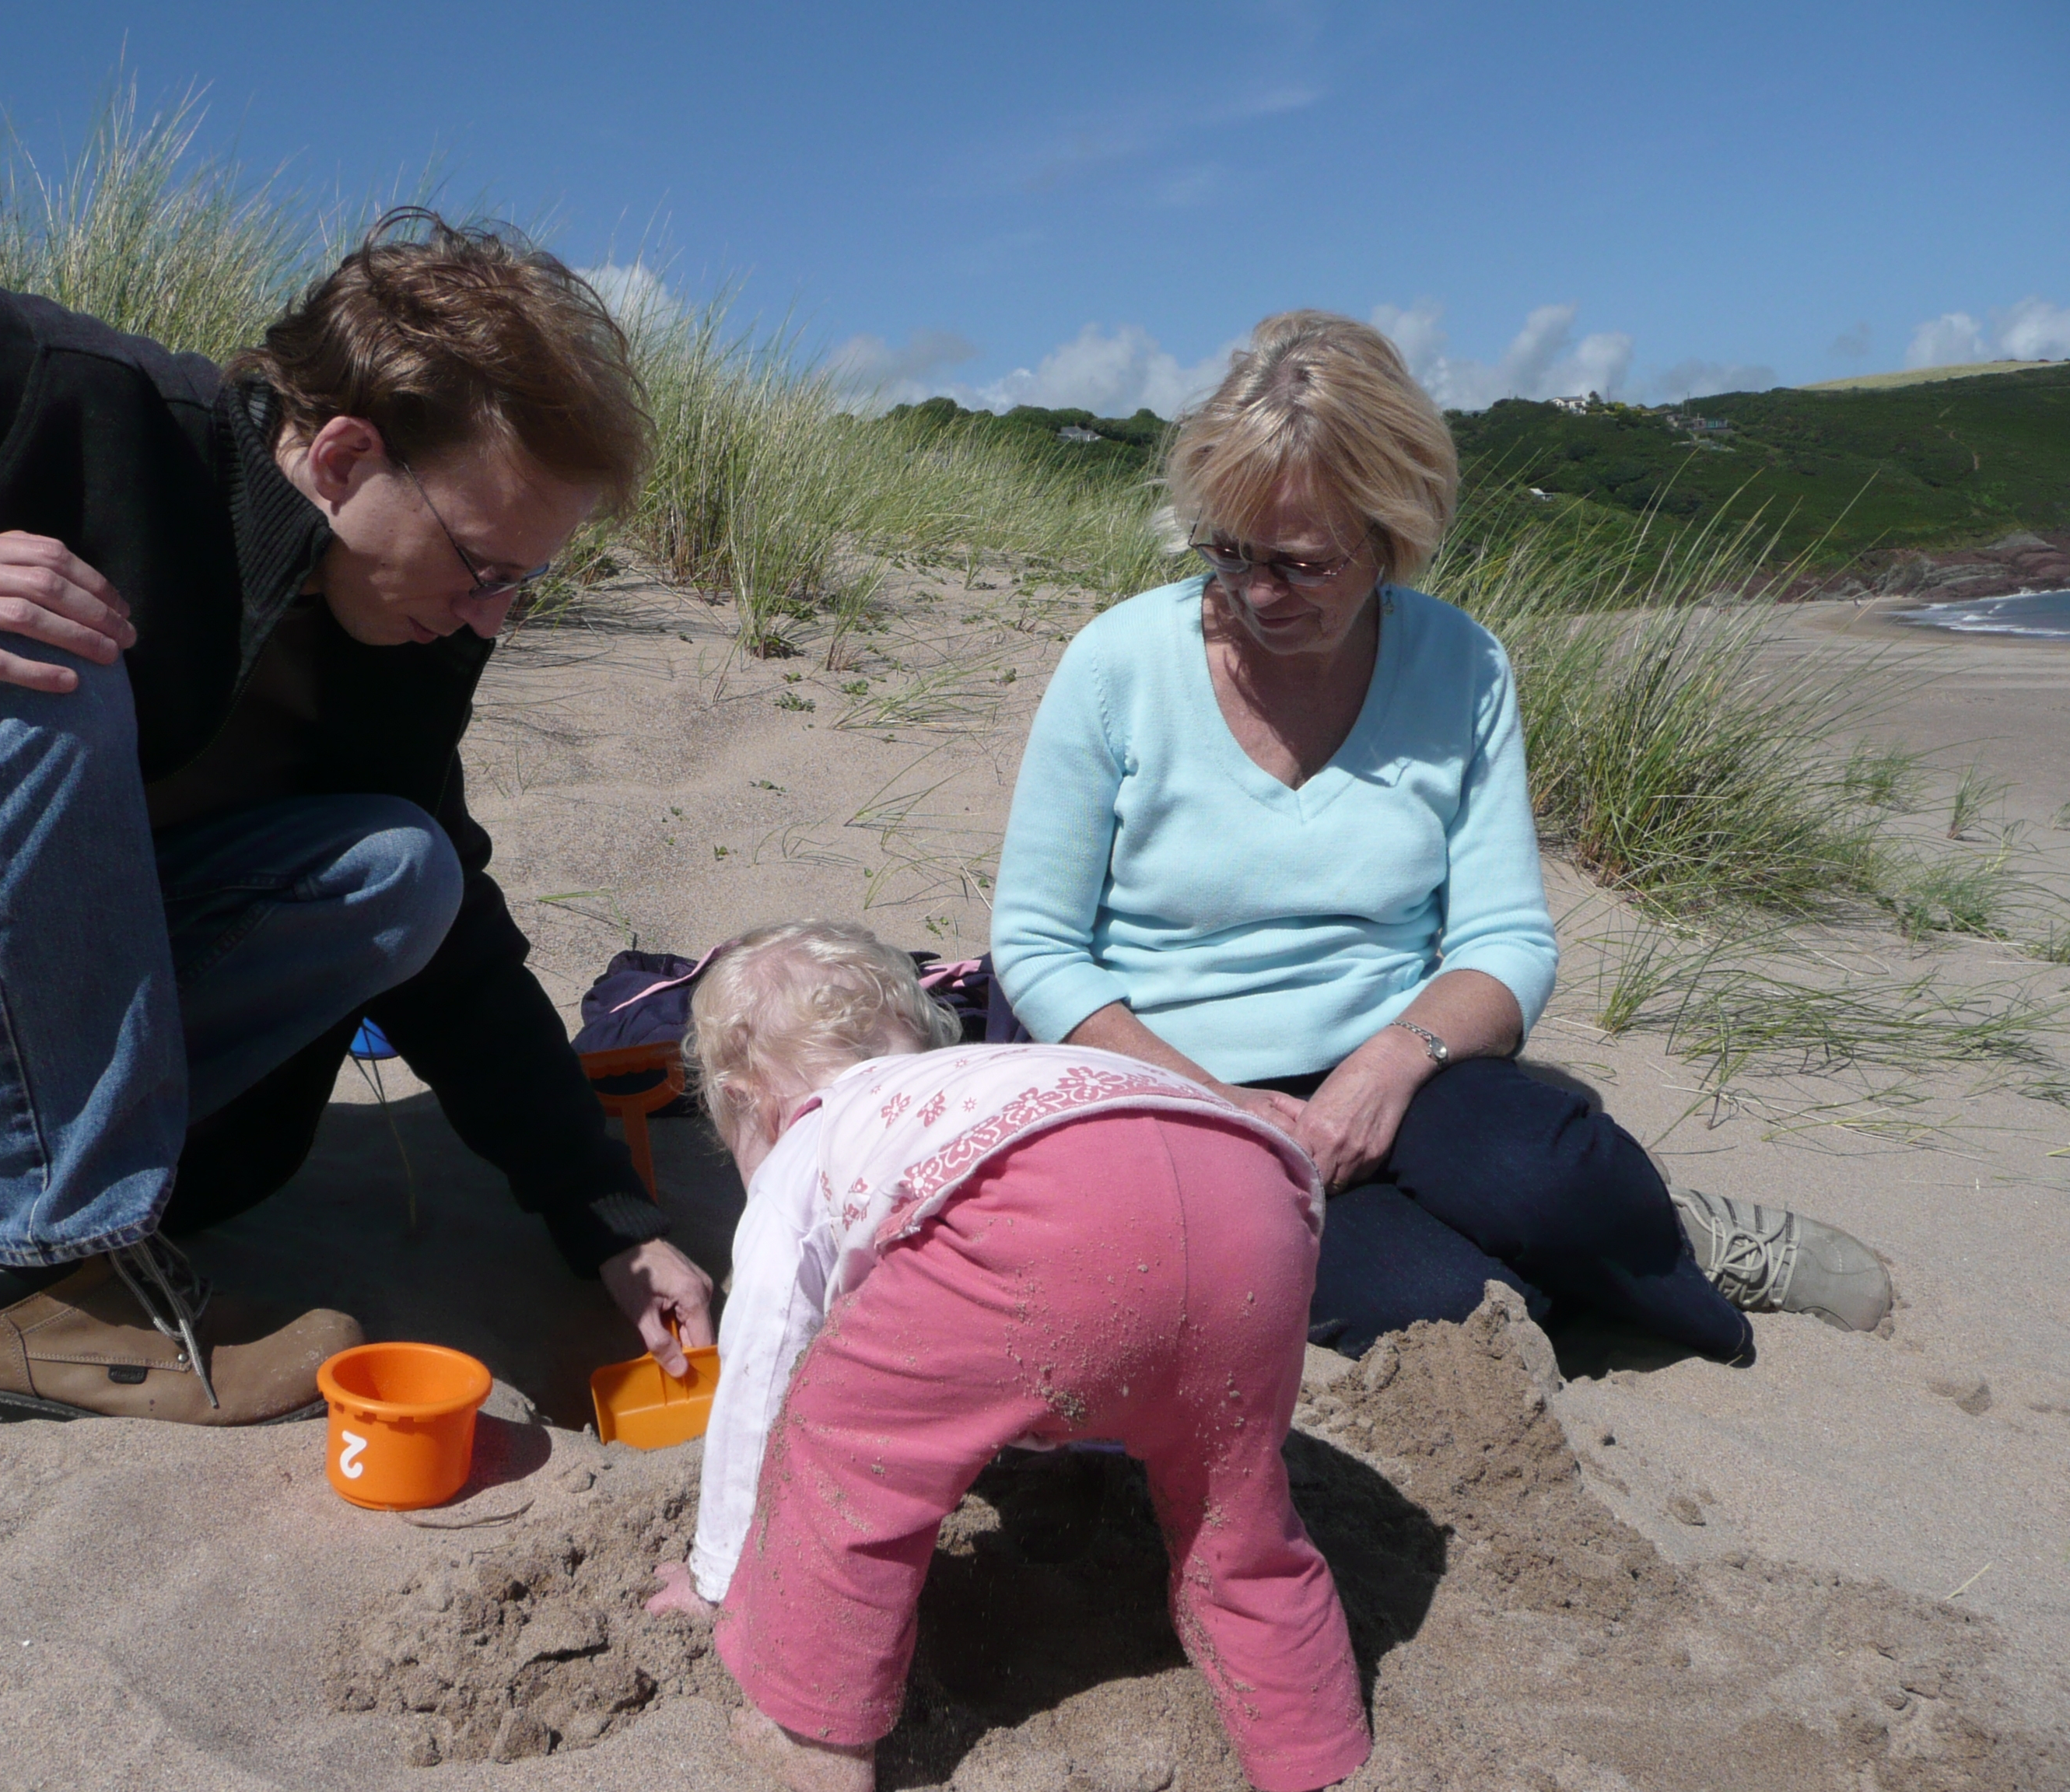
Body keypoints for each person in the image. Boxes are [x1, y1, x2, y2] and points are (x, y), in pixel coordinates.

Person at [0, 207, 714, 1426]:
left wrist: (606, 1218)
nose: (491, 617)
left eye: (522, 585)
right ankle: (30, 1278)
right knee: (29, 651)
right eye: (483, 568)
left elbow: (457, 961)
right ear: (342, 458)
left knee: (404, 870)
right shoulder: (57, 401)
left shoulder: (401, 640)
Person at [989, 310, 1890, 1364]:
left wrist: (1390, 1061)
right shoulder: (1119, 665)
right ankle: (1595, 1250)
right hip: (1172, 1081)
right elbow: (1038, 947)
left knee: (1551, 1177)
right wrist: (1218, 1100)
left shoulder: (1463, 664)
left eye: (1303, 563)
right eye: (1228, 553)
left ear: (1390, 535)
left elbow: (1506, 942)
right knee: (1444, 1304)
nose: (1258, 594)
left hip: (1403, 1066)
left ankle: (1656, 1230)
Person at [645, 920, 1369, 1792]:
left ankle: (815, 1744)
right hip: (1250, 1192)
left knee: (838, 1447)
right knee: (1236, 1503)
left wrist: (720, 1572)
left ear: (746, 1100)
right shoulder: (992, 1077)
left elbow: (764, 1360)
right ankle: (1309, 1741)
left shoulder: (813, 1128)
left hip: (1045, 1212)